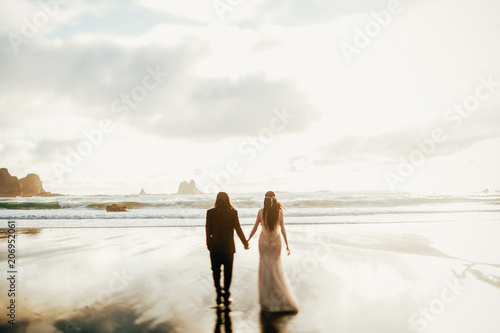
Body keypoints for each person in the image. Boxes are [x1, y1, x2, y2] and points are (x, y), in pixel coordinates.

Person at [248, 191, 299, 313]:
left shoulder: (261, 212)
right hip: (276, 242)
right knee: (275, 268)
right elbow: (283, 230)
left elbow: (255, 227)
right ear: (275, 200)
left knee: (264, 267)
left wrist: (248, 239)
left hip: (264, 242)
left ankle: (266, 298)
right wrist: (287, 245)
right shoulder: (280, 213)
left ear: (265, 200)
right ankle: (278, 297)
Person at [206, 192, 249, 306]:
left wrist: (208, 244)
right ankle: (226, 294)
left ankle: (219, 293)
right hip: (228, 247)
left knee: (215, 271)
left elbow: (208, 230)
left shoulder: (210, 213)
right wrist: (245, 243)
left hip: (214, 247)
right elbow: (238, 229)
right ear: (228, 200)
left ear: (216, 200)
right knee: (228, 272)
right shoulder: (233, 213)